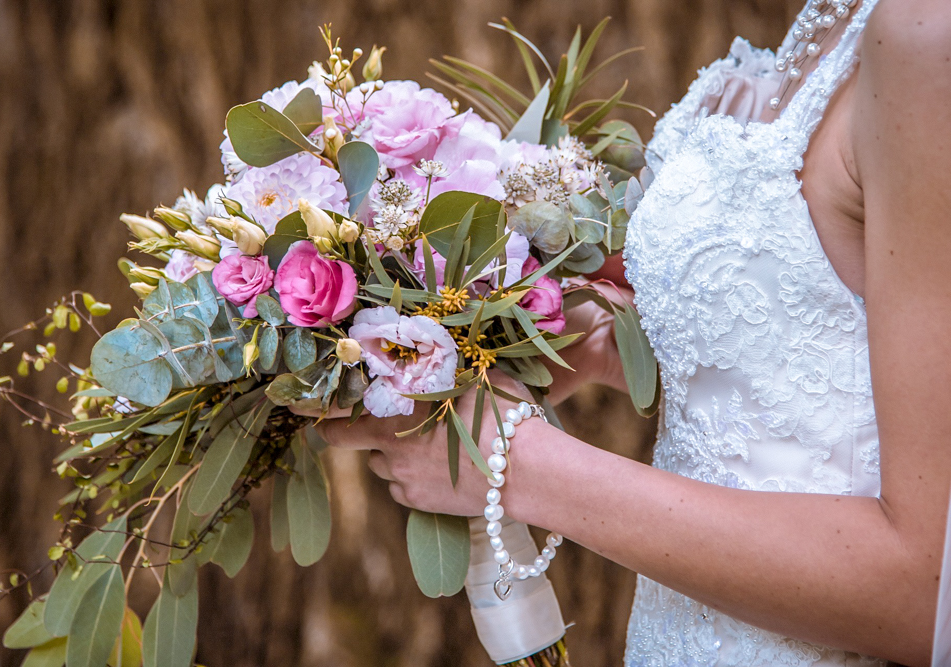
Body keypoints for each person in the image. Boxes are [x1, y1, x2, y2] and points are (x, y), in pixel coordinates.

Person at [305, 0, 951, 663]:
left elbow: (925, 593)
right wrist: (608, 338)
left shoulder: (928, 36)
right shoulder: (837, 16)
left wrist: (514, 464)